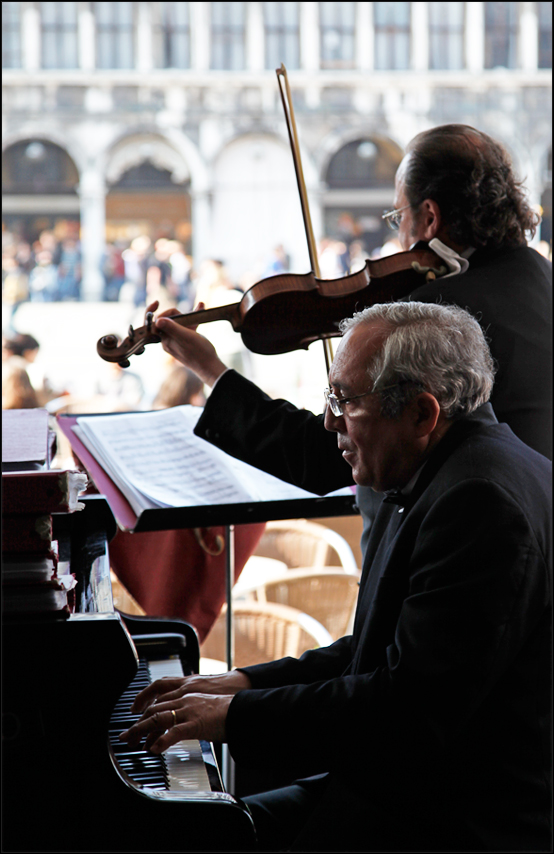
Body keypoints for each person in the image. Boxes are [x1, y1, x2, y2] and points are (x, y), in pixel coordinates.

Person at [120, 302, 551, 852]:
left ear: (422, 413)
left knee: (187, 837)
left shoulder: (478, 502)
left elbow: (405, 712)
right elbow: (374, 653)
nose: (329, 422)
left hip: (454, 818)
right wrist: (243, 683)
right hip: (406, 787)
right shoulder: (452, 472)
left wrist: (233, 716)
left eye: (344, 401)